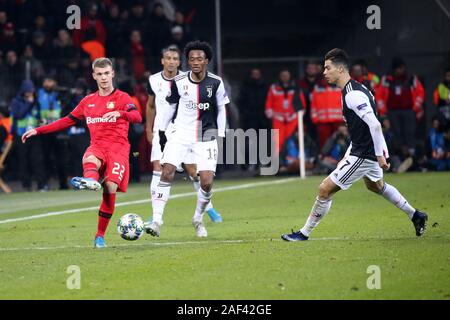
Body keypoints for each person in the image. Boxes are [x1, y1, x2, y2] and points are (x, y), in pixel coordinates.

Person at [281, 48, 428, 242]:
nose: (324, 72)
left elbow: (375, 124)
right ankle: (416, 215)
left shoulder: (352, 95)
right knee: (376, 186)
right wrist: (377, 151)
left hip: (363, 154)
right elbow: (370, 124)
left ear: (340, 69)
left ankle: (303, 233)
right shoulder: (357, 88)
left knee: (325, 189)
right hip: (362, 149)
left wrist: (379, 154)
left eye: (327, 68)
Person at [21, 58, 142, 248]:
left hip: (118, 149)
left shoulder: (123, 98)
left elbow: (137, 116)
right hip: (98, 146)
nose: (103, 78)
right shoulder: (88, 102)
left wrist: (120, 114)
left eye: (106, 73)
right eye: (99, 74)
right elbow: (66, 121)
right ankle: (91, 180)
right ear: (94, 76)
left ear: (112, 74)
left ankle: (99, 236)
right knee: (90, 157)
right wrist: (39, 130)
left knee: (110, 188)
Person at [145, 41, 229, 238]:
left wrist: (222, 135)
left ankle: (198, 218)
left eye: (199, 58)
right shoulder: (179, 82)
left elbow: (222, 109)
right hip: (180, 134)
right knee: (166, 172)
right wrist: (162, 132)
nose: (195, 62)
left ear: (206, 60)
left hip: (205, 136)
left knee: (206, 182)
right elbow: (170, 108)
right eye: (191, 59)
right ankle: (157, 220)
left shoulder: (216, 82)